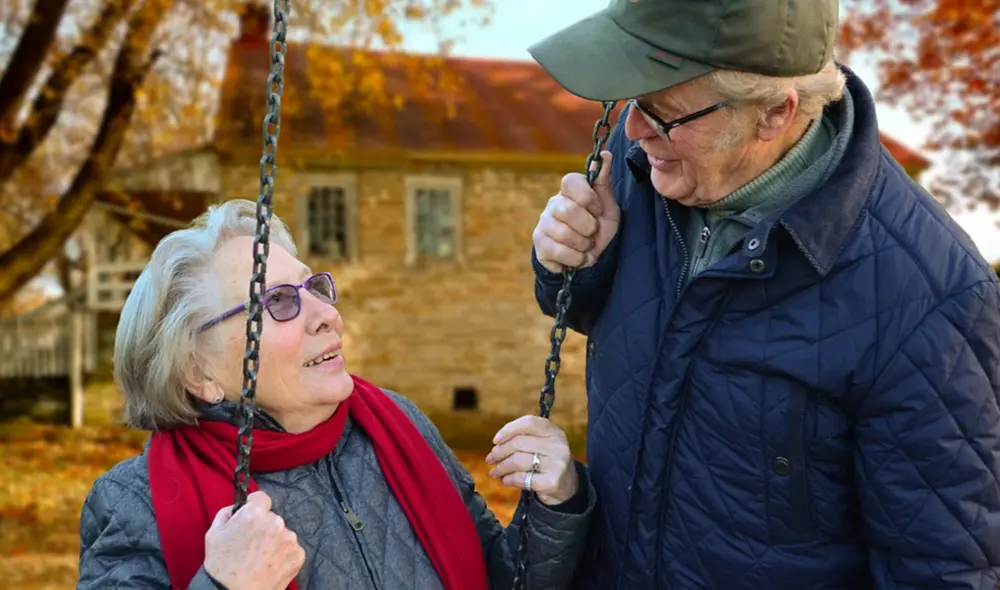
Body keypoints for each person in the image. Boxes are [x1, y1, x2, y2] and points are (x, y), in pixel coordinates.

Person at [527, 0, 1000, 588]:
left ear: (775, 113)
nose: (634, 130)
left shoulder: (933, 299)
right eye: (631, 101)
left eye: (663, 113)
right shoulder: (642, 168)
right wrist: (571, 265)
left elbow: (942, 569)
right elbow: (608, 317)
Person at [77, 199, 595, 590]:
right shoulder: (134, 502)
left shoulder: (398, 426)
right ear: (198, 372)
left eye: (314, 288)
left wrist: (554, 503)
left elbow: (501, 578)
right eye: (278, 302)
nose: (326, 315)